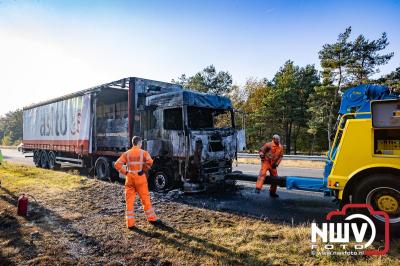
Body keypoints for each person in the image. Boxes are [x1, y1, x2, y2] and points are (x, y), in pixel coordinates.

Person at [114, 136, 161, 229]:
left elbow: (117, 164)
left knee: (129, 201)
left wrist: (126, 172)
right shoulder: (144, 153)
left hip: (130, 178)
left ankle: (130, 224)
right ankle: (152, 218)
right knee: (145, 199)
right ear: (139, 143)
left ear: (132, 143)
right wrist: (143, 169)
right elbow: (150, 162)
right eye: (141, 143)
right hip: (140, 178)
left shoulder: (126, 154)